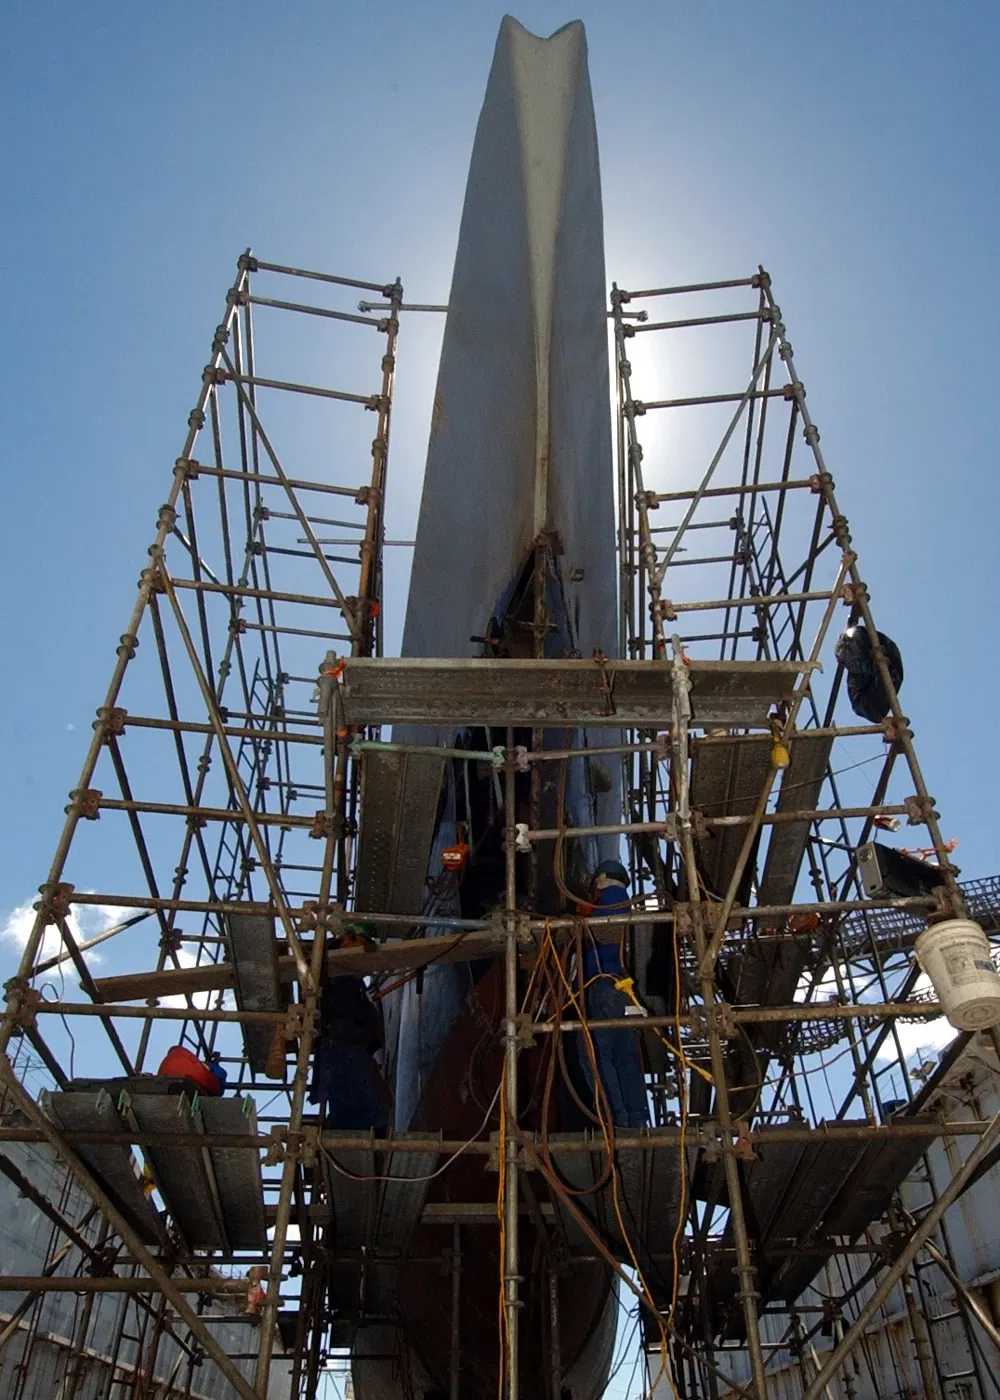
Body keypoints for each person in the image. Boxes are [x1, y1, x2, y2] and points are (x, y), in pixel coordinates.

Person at [579, 859, 649, 1129]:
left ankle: (616, 1121)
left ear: (601, 880)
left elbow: (597, 930)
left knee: (594, 1052)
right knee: (624, 1057)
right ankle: (636, 1121)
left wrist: (583, 916)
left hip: (603, 985)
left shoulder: (612, 897)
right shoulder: (623, 901)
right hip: (620, 990)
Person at [309, 924, 393, 1135]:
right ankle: (356, 1152)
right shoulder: (331, 969)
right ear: (346, 940)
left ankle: (344, 1150)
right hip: (342, 1050)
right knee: (377, 1108)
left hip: (346, 1051)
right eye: (361, 942)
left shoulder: (349, 981)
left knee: (350, 1115)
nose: (363, 949)